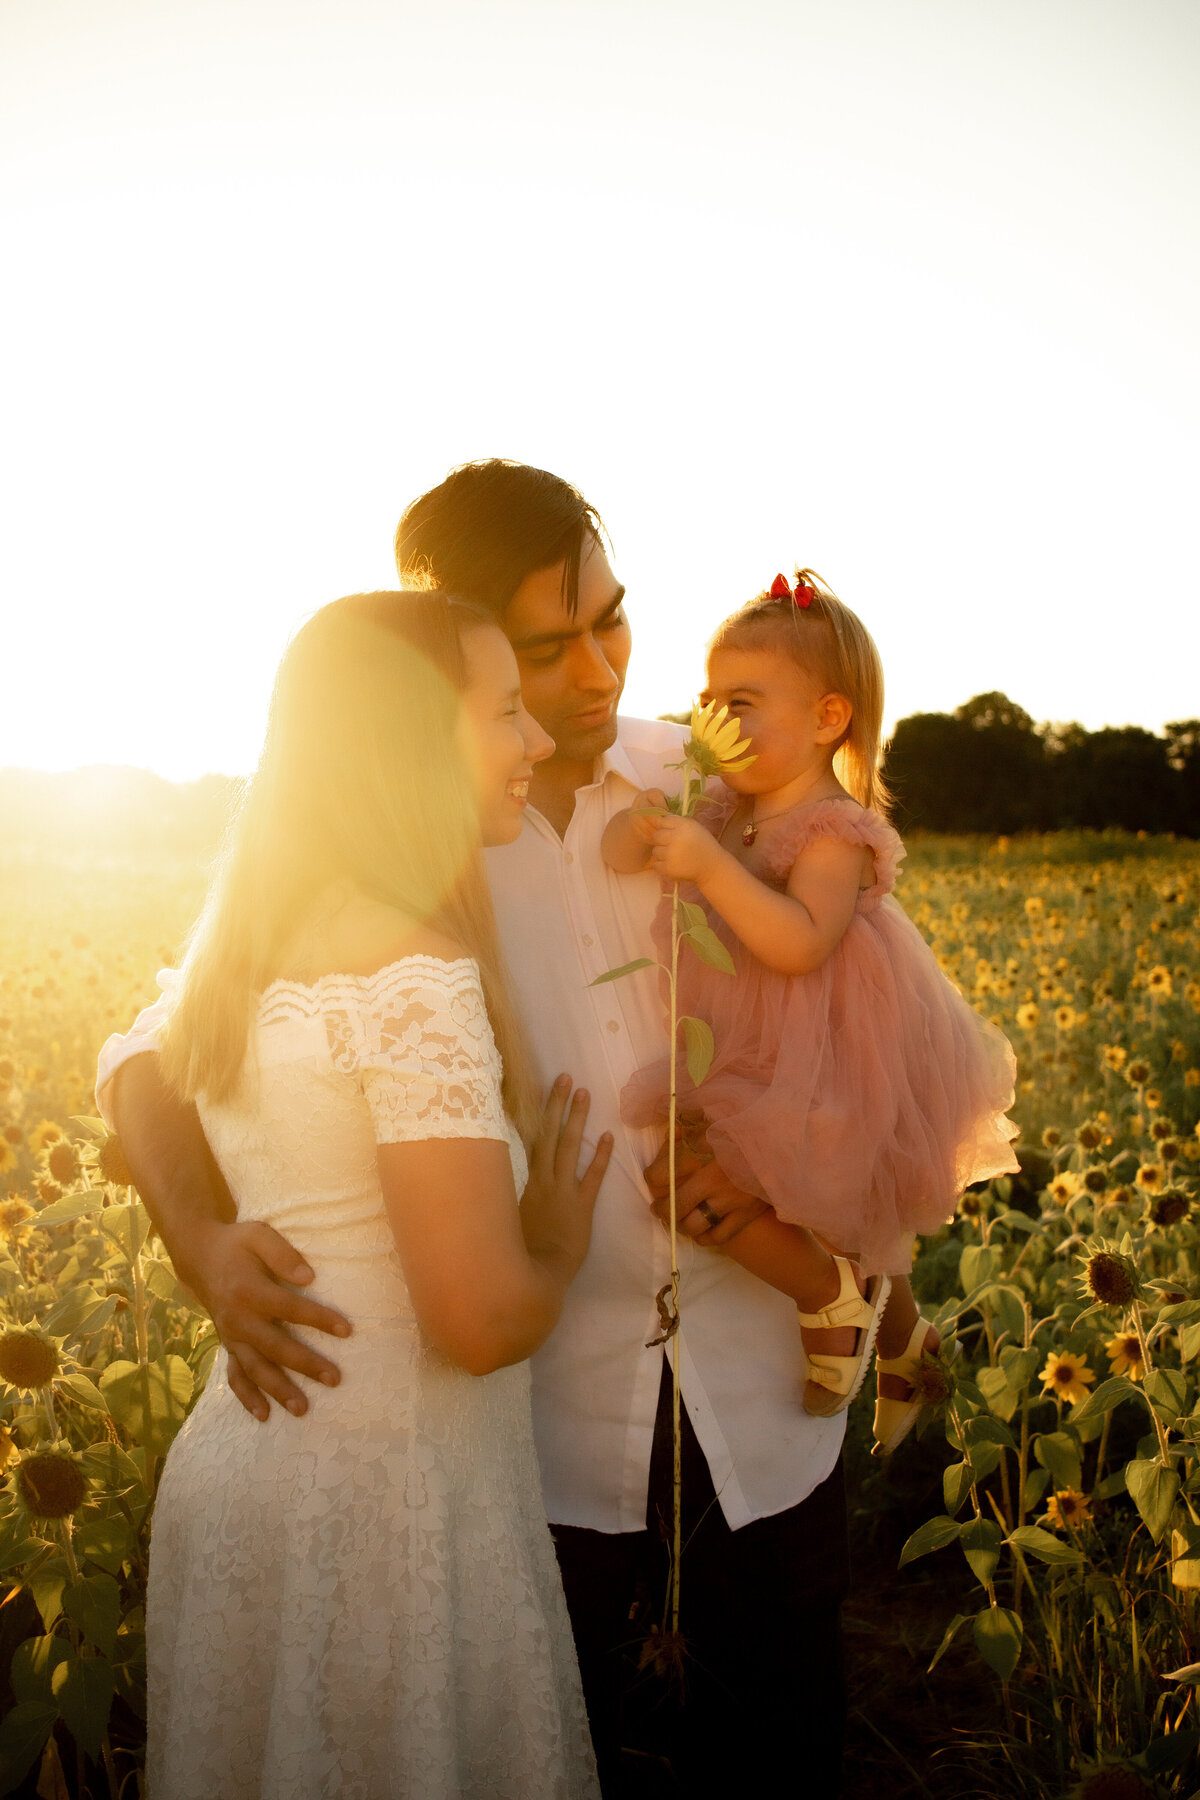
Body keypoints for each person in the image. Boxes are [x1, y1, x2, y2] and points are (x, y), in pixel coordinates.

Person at [97, 466, 850, 1797]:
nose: (596, 674)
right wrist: (204, 1238)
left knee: (776, 1746)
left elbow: (867, 995)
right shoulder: (406, 834)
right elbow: (149, 1046)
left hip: (759, 1378)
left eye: (611, 623)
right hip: (532, 1449)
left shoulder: (702, 785)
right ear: (446, 648)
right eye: (543, 651)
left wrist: (843, 1207)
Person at [138, 588, 609, 1798]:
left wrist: (201, 1237)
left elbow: (128, 1065)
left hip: (248, 1477)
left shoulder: (249, 944)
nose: (538, 741)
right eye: (505, 710)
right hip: (387, 1509)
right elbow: (475, 1317)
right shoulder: (415, 973)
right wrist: (555, 1242)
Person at [609, 569, 1020, 1452]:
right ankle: (906, 1337)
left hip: (833, 1039)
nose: (719, 721)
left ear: (829, 718)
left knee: (731, 1187)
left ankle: (822, 1295)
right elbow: (626, 851)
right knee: (802, 1190)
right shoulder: (724, 804)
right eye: (710, 699)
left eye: (745, 702)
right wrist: (643, 825)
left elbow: (800, 942)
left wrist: (707, 865)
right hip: (753, 1036)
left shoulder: (829, 828)